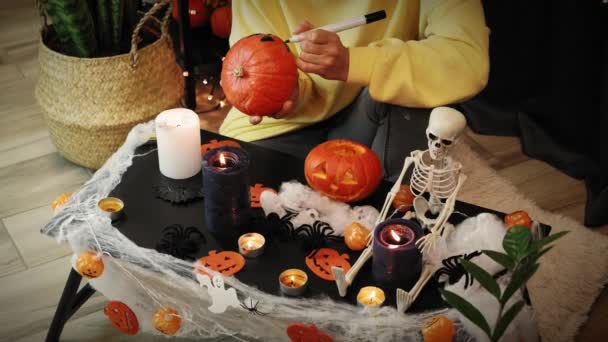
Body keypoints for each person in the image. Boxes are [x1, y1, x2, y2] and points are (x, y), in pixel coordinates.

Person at [219, 0, 489, 180]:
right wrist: (290, 93)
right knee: (233, 189)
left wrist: (354, 63)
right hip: (283, 125)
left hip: (374, 113)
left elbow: (467, 58)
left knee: (420, 92)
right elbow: (257, 61)